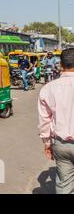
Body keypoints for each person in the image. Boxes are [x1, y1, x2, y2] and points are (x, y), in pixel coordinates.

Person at [38, 48, 74, 194]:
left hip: (62, 145)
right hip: (62, 144)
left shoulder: (48, 88)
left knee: (64, 186)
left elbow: (44, 119)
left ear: (60, 65)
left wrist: (47, 143)